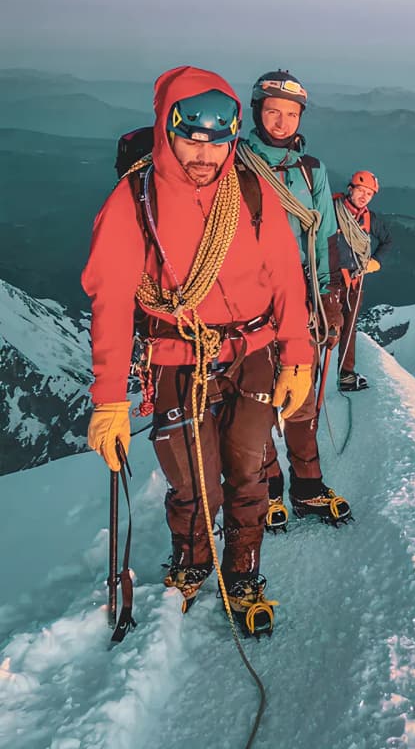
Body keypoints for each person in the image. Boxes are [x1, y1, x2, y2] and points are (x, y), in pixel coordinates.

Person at [82, 66, 312, 632]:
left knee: (247, 472)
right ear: (167, 130)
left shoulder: (251, 188)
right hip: (178, 358)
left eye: (219, 140)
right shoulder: (135, 201)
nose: (205, 154)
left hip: (253, 350)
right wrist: (108, 399)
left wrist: (298, 352)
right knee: (191, 479)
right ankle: (193, 559)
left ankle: (243, 569)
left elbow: (285, 272)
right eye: (191, 138)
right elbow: (111, 297)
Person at [238, 70, 350, 530]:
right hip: (251, 300)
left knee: (303, 394)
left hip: (302, 296)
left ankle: (307, 484)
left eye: (290, 114)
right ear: (257, 112)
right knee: (260, 394)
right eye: (272, 112)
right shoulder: (237, 165)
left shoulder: (312, 171)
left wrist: (327, 295)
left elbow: (323, 234)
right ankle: (269, 487)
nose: (281, 122)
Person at [329, 169, 392, 392]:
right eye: (361, 191)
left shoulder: (368, 219)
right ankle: (307, 372)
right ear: (350, 189)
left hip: (354, 281)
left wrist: (375, 262)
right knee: (327, 326)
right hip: (329, 279)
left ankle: (346, 375)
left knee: (349, 329)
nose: (364, 196)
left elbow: (388, 240)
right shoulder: (332, 210)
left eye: (369, 193)